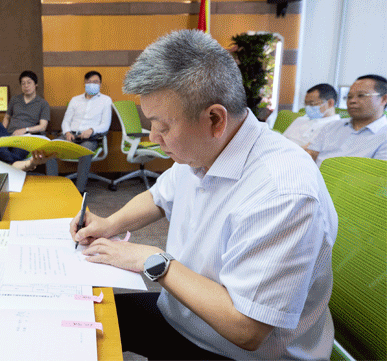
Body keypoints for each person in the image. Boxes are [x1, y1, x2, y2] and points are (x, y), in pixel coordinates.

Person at [70, 30, 337, 360]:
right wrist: (109, 224)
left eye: (163, 127)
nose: (153, 137)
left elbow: (247, 329)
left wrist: (151, 260)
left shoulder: (282, 192)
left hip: (238, 351)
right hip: (185, 315)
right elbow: (157, 197)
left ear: (214, 119)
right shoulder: (204, 147)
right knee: (78, 318)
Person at [46, 70, 112, 193]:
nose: (92, 84)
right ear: (85, 83)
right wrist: (67, 132)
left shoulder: (106, 100)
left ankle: (79, 191)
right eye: (89, 82)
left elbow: (105, 125)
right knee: (50, 148)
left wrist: (92, 130)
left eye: (96, 82)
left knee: (85, 152)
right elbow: (66, 121)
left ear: (100, 84)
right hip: (70, 136)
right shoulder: (75, 100)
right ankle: (53, 188)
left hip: (90, 138)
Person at [306, 74, 387, 166]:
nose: (352, 101)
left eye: (361, 95)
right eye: (349, 96)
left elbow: (378, 173)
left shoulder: (384, 135)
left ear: (384, 99)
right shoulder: (331, 126)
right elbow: (310, 155)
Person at [282, 83, 340, 148]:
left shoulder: (336, 128)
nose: (307, 108)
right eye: (306, 104)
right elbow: (281, 140)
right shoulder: (300, 120)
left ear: (330, 103)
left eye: (312, 104)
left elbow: (311, 151)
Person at [2, 71, 50, 135]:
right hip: (12, 134)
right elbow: (6, 117)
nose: (26, 86)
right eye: (23, 83)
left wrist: (25, 130)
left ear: (36, 84)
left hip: (30, 135)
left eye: (29, 83)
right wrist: (3, 131)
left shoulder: (43, 103)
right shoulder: (14, 99)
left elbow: (43, 127)